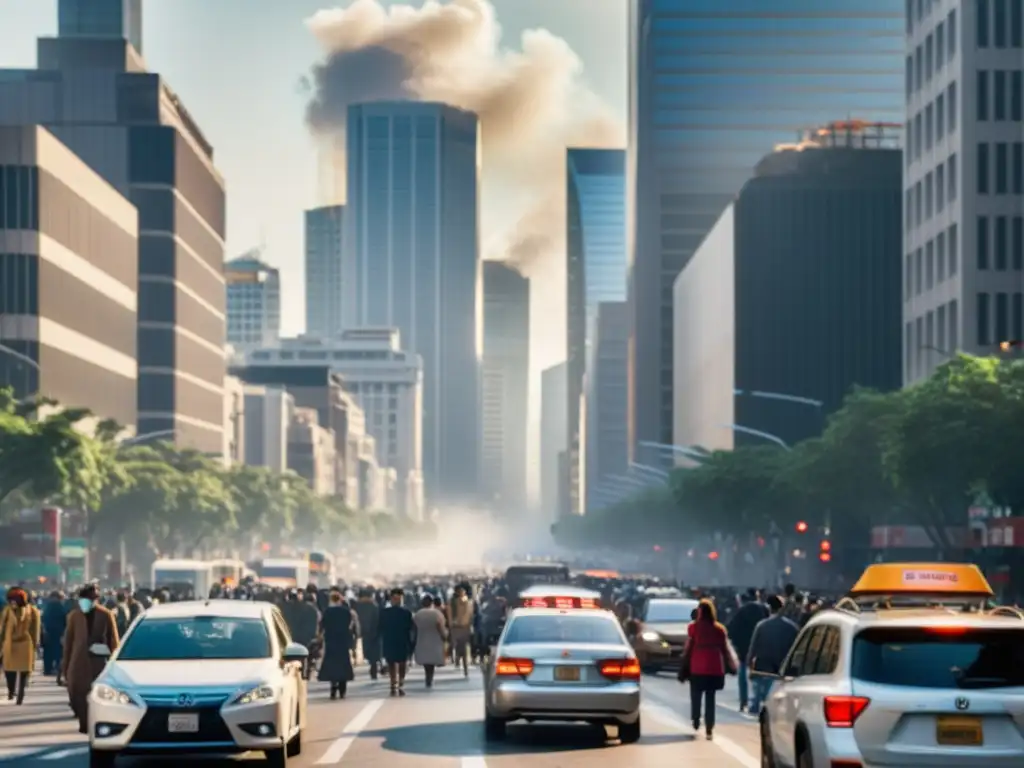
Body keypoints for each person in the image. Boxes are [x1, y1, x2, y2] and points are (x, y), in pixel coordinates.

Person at [62, 585, 119, 734]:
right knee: (76, 694)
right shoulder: (74, 616)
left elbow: (113, 641)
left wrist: (115, 665)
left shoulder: (106, 615)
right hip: (78, 662)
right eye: (85, 599)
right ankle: (83, 720)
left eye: (91, 599)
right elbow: (68, 643)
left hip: (99, 663)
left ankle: (92, 723)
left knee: (96, 696)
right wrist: (65, 667)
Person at [681, 599, 738, 740]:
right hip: (714, 666)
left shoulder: (693, 628)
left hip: (697, 665)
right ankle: (709, 727)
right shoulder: (719, 629)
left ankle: (695, 719)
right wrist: (731, 665)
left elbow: (688, 647)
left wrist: (684, 662)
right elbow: (725, 649)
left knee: (696, 694)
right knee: (710, 698)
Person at [746, 595, 799, 715]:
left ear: (769, 609)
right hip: (781, 669)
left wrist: (750, 665)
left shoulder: (761, 625)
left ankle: (755, 707)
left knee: (759, 694)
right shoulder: (792, 628)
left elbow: (753, 648)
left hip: (762, 667)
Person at [726, 590, 768, 712]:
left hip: (743, 647)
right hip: (760, 647)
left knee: (742, 675)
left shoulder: (742, 611)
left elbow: (731, 629)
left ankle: (743, 700)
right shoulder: (763, 609)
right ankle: (760, 699)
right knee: (761, 675)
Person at [1, 587, 41, 704]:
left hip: (15, 644)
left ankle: (16, 693)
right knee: (16, 671)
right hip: (20, 644)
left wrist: (35, 643)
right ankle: (14, 692)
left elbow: (2, 628)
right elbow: (2, 629)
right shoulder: (32, 611)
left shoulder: (8, 610)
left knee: (15, 671)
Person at [318, 590, 357, 699]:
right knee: (343, 663)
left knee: (332, 664)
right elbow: (350, 627)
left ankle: (333, 685)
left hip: (331, 640)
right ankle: (342, 688)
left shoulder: (327, 612)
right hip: (343, 640)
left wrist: (320, 637)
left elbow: (322, 626)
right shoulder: (346, 612)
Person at [378, 587, 414, 697]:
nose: (397, 601)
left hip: (401, 640)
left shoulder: (406, 613)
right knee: (392, 663)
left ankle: (401, 682)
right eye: (395, 598)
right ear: (391, 599)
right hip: (391, 640)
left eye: (399, 599)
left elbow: (410, 628)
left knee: (402, 663)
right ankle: (393, 682)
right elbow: (380, 627)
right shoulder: (385, 613)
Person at [413, 594, 447, 688]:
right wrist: (444, 636)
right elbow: (441, 627)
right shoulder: (437, 614)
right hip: (434, 640)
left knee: (426, 662)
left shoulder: (418, 614)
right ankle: (429, 678)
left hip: (422, 639)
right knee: (431, 662)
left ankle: (428, 677)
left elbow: (414, 628)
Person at [353, 589, 382, 679]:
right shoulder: (374, 605)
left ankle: (361, 662)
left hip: (360, 631)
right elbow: (378, 618)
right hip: (373, 631)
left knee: (361, 648)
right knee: (374, 651)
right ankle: (373, 666)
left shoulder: (356, 606)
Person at [447, 585, 474, 678]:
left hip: (461, 628)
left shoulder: (466, 602)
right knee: (461, 647)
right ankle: (460, 662)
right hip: (460, 628)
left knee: (462, 648)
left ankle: (464, 666)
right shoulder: (455, 603)